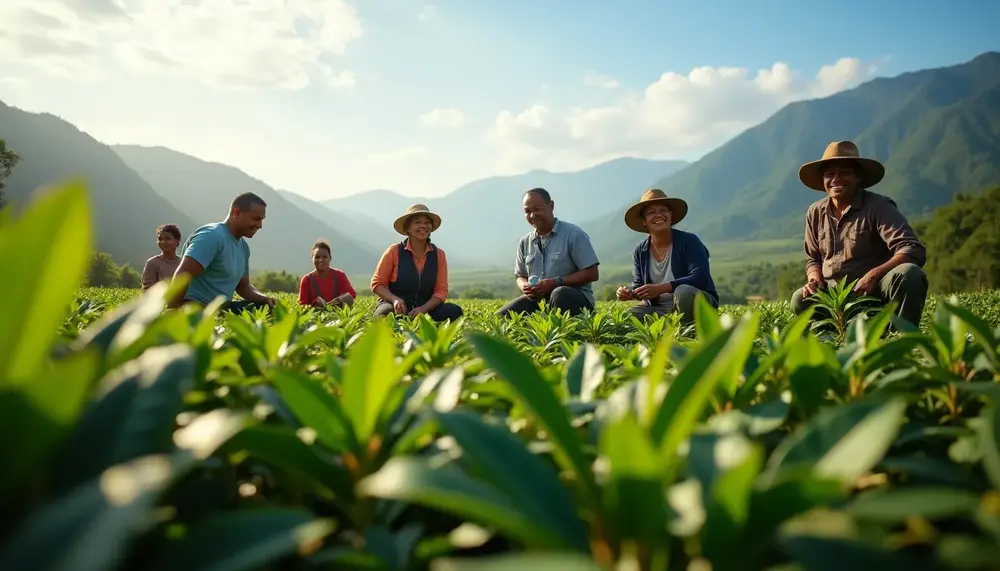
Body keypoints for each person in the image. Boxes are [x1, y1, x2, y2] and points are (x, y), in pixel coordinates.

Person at [791, 140, 928, 327]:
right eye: (830, 175)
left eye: (844, 173)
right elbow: (813, 258)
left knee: (908, 274)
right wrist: (814, 280)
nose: (836, 180)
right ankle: (834, 335)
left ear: (858, 177)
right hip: (835, 297)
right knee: (799, 299)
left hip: (874, 291)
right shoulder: (815, 212)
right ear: (823, 180)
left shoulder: (878, 206)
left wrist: (874, 275)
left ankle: (901, 335)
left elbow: (911, 248)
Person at [615, 188, 719, 324]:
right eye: (651, 212)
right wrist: (629, 293)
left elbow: (700, 277)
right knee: (627, 318)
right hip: (660, 308)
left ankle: (689, 331)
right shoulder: (640, 250)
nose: (659, 215)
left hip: (696, 303)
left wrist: (662, 288)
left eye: (663, 211)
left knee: (683, 292)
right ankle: (670, 326)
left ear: (670, 215)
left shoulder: (689, 241)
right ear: (644, 221)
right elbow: (639, 285)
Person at [497, 188, 600, 317]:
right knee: (501, 316)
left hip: (573, 299)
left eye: (537, 209)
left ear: (551, 206)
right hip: (539, 300)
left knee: (559, 293)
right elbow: (520, 276)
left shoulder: (574, 234)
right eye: (527, 211)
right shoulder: (525, 242)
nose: (532, 215)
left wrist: (556, 282)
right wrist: (525, 286)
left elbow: (592, 273)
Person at [168, 192, 276, 312]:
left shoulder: (243, 247)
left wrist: (265, 299)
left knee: (265, 309)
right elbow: (183, 275)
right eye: (255, 219)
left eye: (261, 220)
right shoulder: (212, 236)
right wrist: (173, 311)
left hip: (221, 308)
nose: (260, 225)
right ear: (237, 213)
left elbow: (243, 286)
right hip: (195, 307)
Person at [370, 204, 464, 322]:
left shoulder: (439, 254)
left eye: (427, 222)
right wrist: (394, 299)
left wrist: (424, 308)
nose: (423, 226)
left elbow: (441, 290)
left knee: (454, 311)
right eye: (417, 222)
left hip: (426, 308)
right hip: (395, 306)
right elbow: (377, 284)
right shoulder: (394, 251)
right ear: (408, 228)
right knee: (385, 313)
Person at [298, 240, 357, 309]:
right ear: (312, 259)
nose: (320, 260)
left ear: (330, 258)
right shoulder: (307, 280)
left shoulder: (339, 275)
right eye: (317, 257)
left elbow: (352, 294)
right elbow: (302, 305)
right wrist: (315, 304)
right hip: (316, 316)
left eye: (324, 257)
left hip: (337, 314)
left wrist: (339, 299)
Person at [141, 223, 182, 291]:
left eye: (167, 238)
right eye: (160, 239)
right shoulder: (152, 263)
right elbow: (147, 290)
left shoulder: (182, 263)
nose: (163, 242)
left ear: (177, 241)